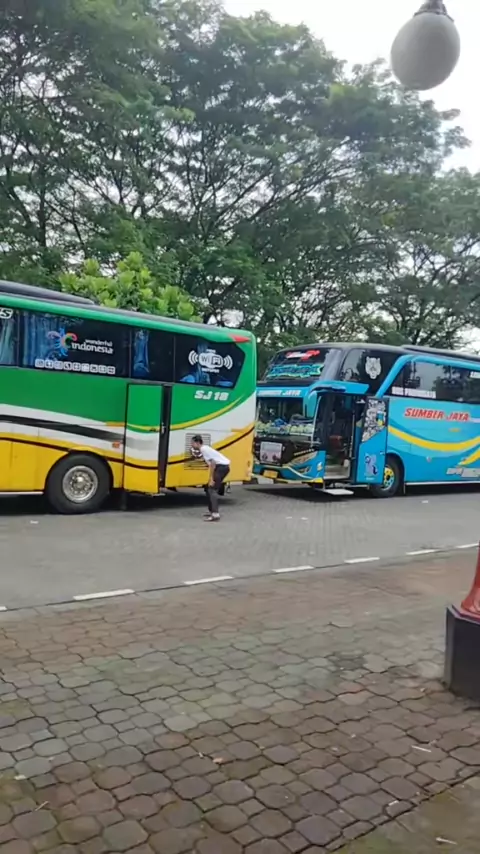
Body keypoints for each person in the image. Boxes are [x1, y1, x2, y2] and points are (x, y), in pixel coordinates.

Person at [191, 435, 230, 522]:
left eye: (193, 443)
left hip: (221, 467)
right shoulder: (204, 449)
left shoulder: (204, 449)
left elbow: (213, 463)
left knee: (212, 489)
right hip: (222, 467)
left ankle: (215, 514)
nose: (192, 445)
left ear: (197, 443)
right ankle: (212, 511)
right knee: (208, 488)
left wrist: (211, 478)